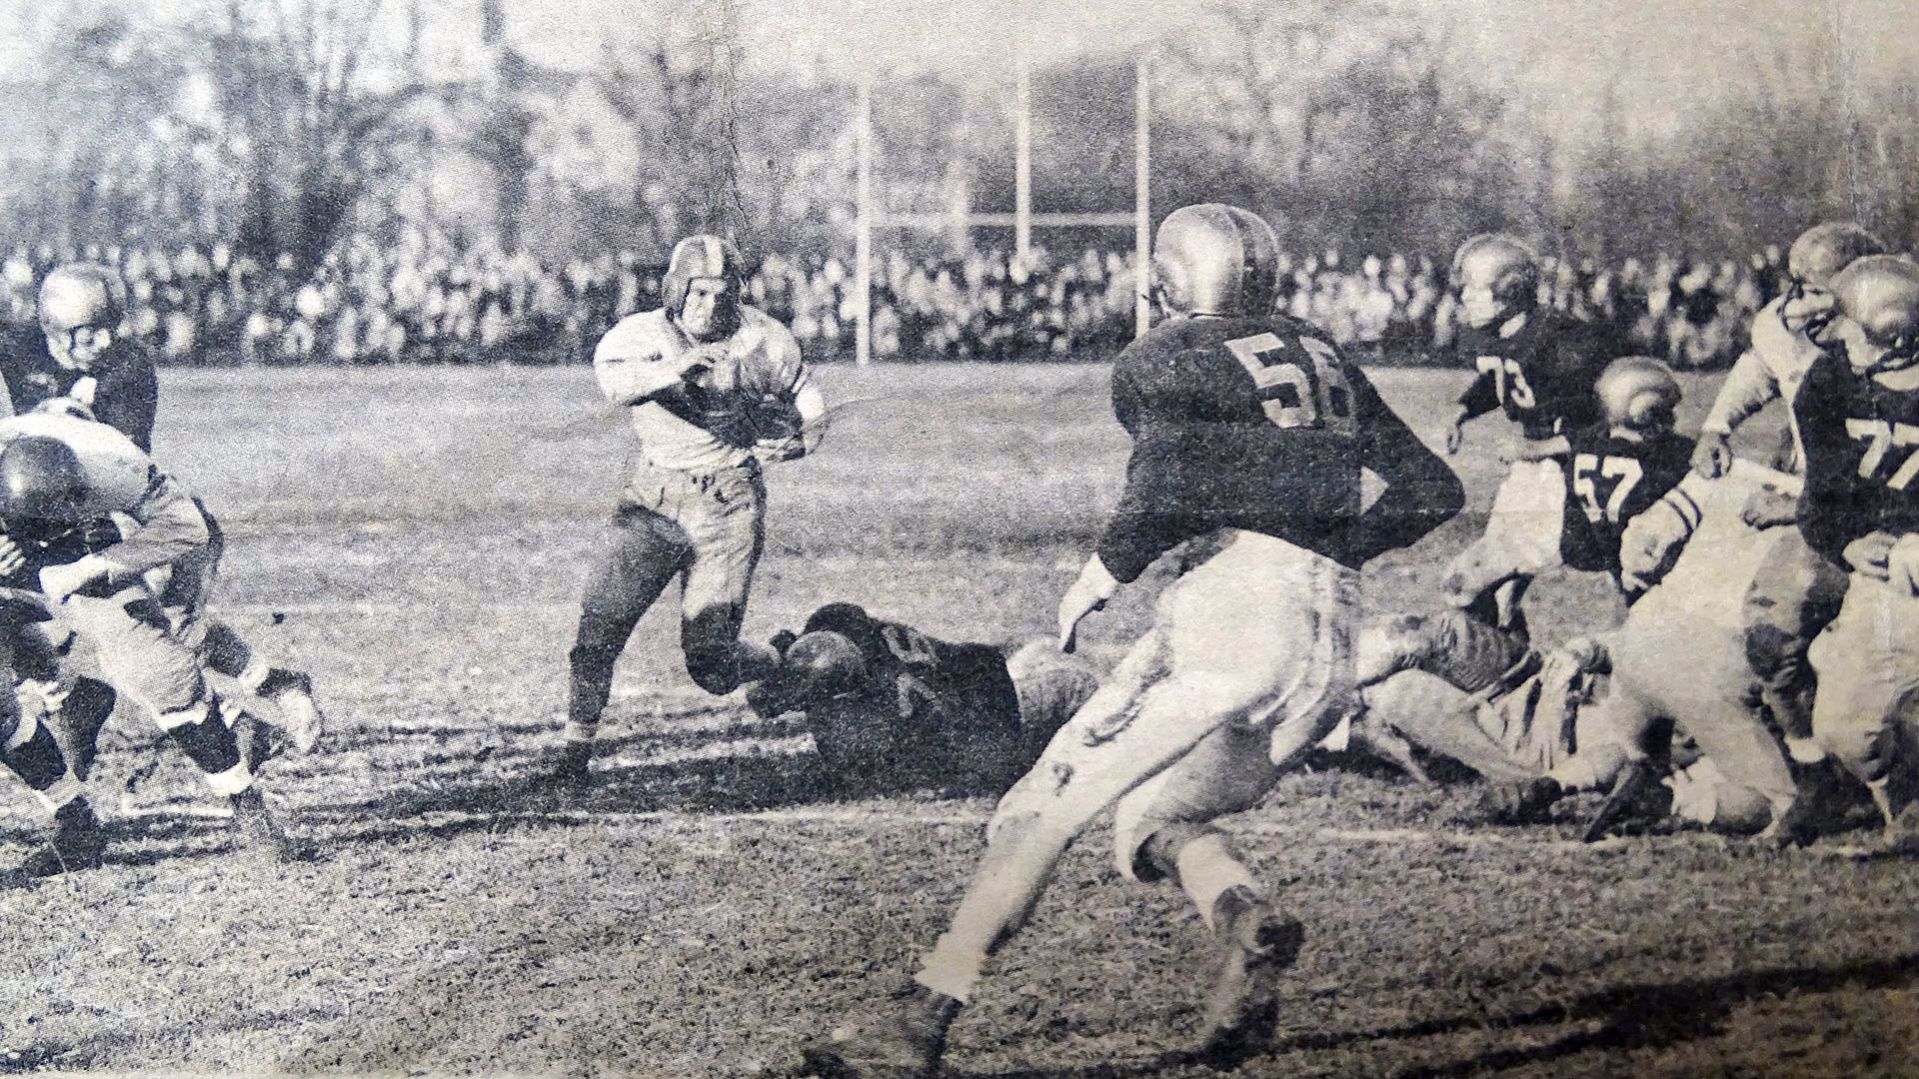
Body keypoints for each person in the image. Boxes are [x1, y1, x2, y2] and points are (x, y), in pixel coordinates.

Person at [793, 204, 1463, 1077]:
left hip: (1238, 610)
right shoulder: (1321, 352)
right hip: (1329, 635)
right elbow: (1430, 487)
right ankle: (1244, 917)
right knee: (1154, 818)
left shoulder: (1164, 354)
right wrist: (1329, 548)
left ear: (1167, 277)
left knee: (1040, 807)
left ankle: (919, 1020)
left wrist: (1100, 575)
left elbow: (1165, 480)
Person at [552, 235, 824, 784]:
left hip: (727, 506)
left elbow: (808, 396)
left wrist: (806, 437)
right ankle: (571, 757)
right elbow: (617, 386)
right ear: (676, 291)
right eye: (699, 293)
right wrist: (677, 367)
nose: (710, 306)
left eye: (723, 295)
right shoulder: (640, 334)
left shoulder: (764, 340)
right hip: (650, 502)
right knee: (595, 635)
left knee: (713, 666)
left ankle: (776, 660)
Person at [0, 411, 307, 870]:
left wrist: (93, 568)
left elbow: (189, 530)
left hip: (104, 537)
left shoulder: (114, 467)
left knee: (154, 667)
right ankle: (75, 819)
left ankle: (249, 810)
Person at [1692, 224, 1886, 757]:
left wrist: (1795, 508)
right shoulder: (1786, 327)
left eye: (1815, 290)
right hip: (1822, 508)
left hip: (1883, 518)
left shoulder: (1896, 340)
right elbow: (1763, 364)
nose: (1797, 304)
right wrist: (1717, 424)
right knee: (1772, 634)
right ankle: (1813, 767)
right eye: (1796, 287)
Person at [1796, 255, 1919, 848]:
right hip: (1884, 574)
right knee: (1844, 731)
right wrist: (1846, 542)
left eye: (1851, 323)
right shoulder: (1828, 382)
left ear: (1890, 331)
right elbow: (1819, 498)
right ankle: (1911, 797)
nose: (1838, 334)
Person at [1440, 234, 1620, 635]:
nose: (1465, 296)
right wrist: (1462, 410)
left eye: (1475, 287)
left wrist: (1537, 448)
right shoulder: (1504, 334)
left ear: (1511, 291)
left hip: (1570, 470)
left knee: (1470, 578)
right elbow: (1502, 376)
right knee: (1499, 595)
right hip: (1532, 468)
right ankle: (1509, 667)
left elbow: (1605, 421)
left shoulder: (1561, 341)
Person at [745, 603, 1099, 795]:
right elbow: (831, 630)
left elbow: (858, 768)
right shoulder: (851, 630)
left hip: (993, 710)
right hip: (973, 666)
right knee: (1038, 650)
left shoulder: (868, 720)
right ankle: (1041, 658)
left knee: (1079, 689)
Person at [1444, 356, 1692, 606]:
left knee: (1517, 550)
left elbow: (1573, 439)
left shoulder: (1589, 443)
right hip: (1633, 548)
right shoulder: (1672, 453)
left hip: (1579, 543)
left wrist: (1532, 449)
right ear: (1646, 412)